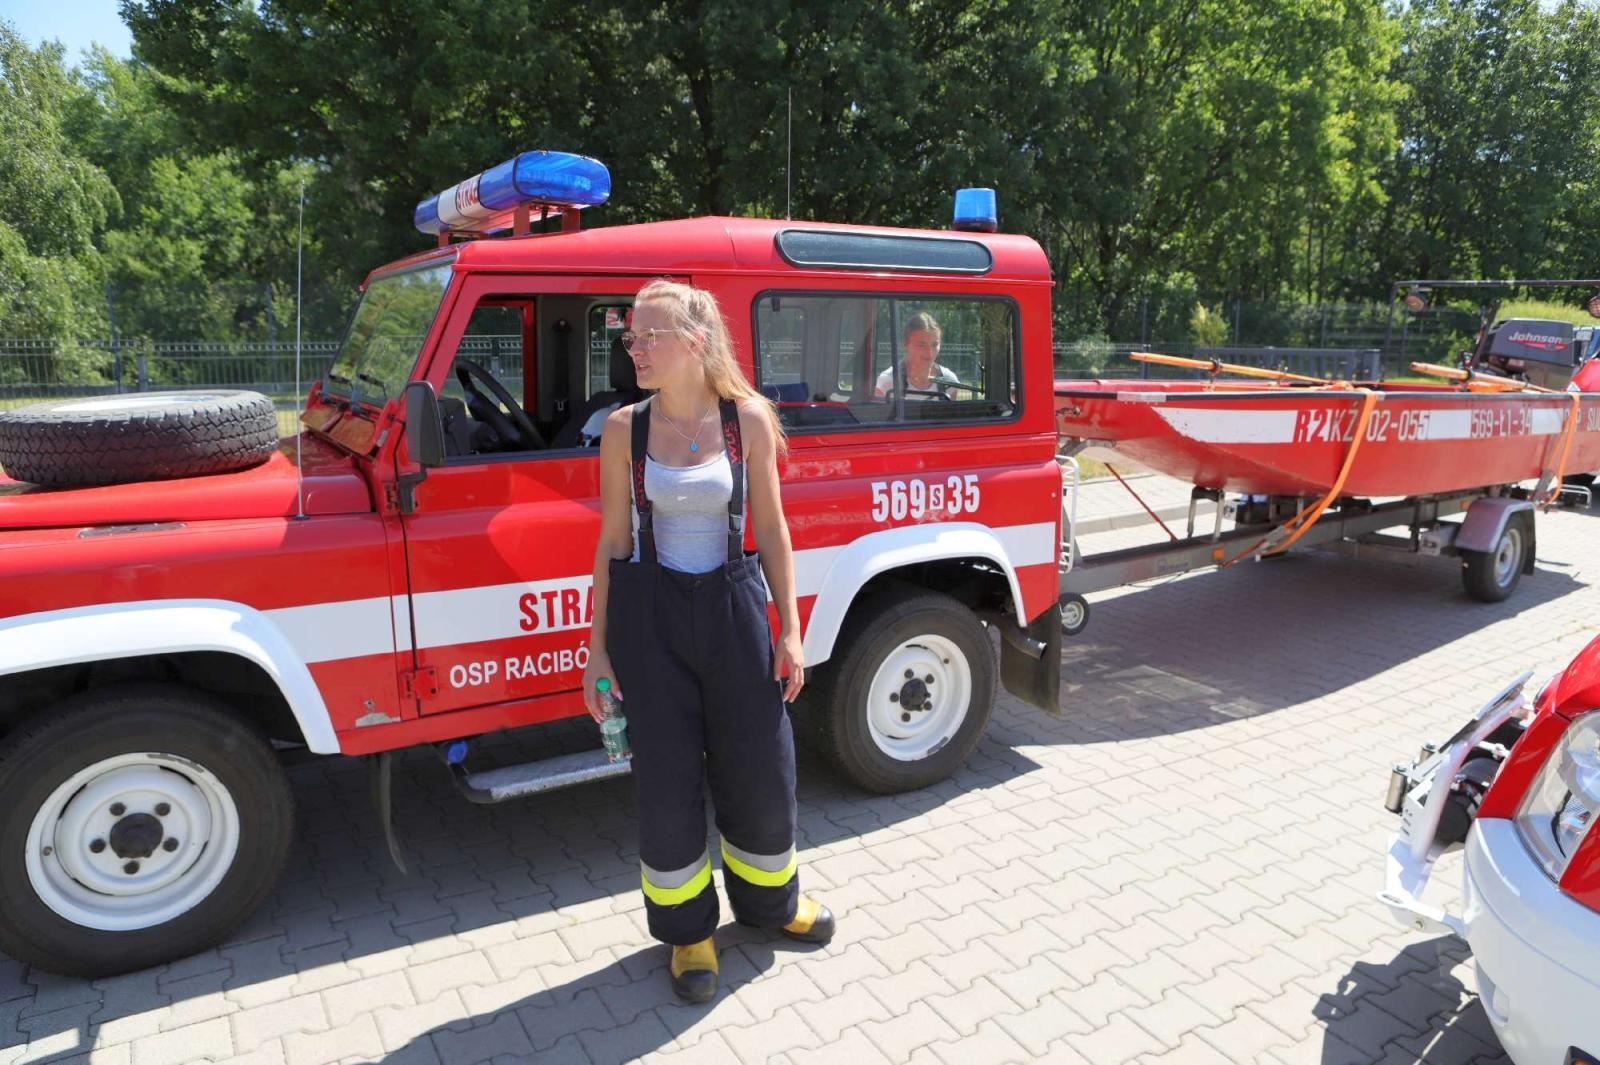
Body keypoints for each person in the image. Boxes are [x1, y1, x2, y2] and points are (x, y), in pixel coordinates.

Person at [582, 278, 835, 1004]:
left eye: (649, 336)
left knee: (761, 765)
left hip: (733, 611)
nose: (635, 349)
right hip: (650, 623)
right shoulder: (624, 429)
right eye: (630, 337)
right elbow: (610, 539)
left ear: (695, 342)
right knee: (665, 783)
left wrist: (791, 628)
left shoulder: (747, 421)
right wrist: (595, 650)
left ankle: (771, 906)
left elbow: (776, 529)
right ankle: (689, 932)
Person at [875, 311, 961, 399]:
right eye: (921, 345)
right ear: (905, 344)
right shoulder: (887, 383)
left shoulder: (949, 383)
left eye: (934, 345)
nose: (929, 353)